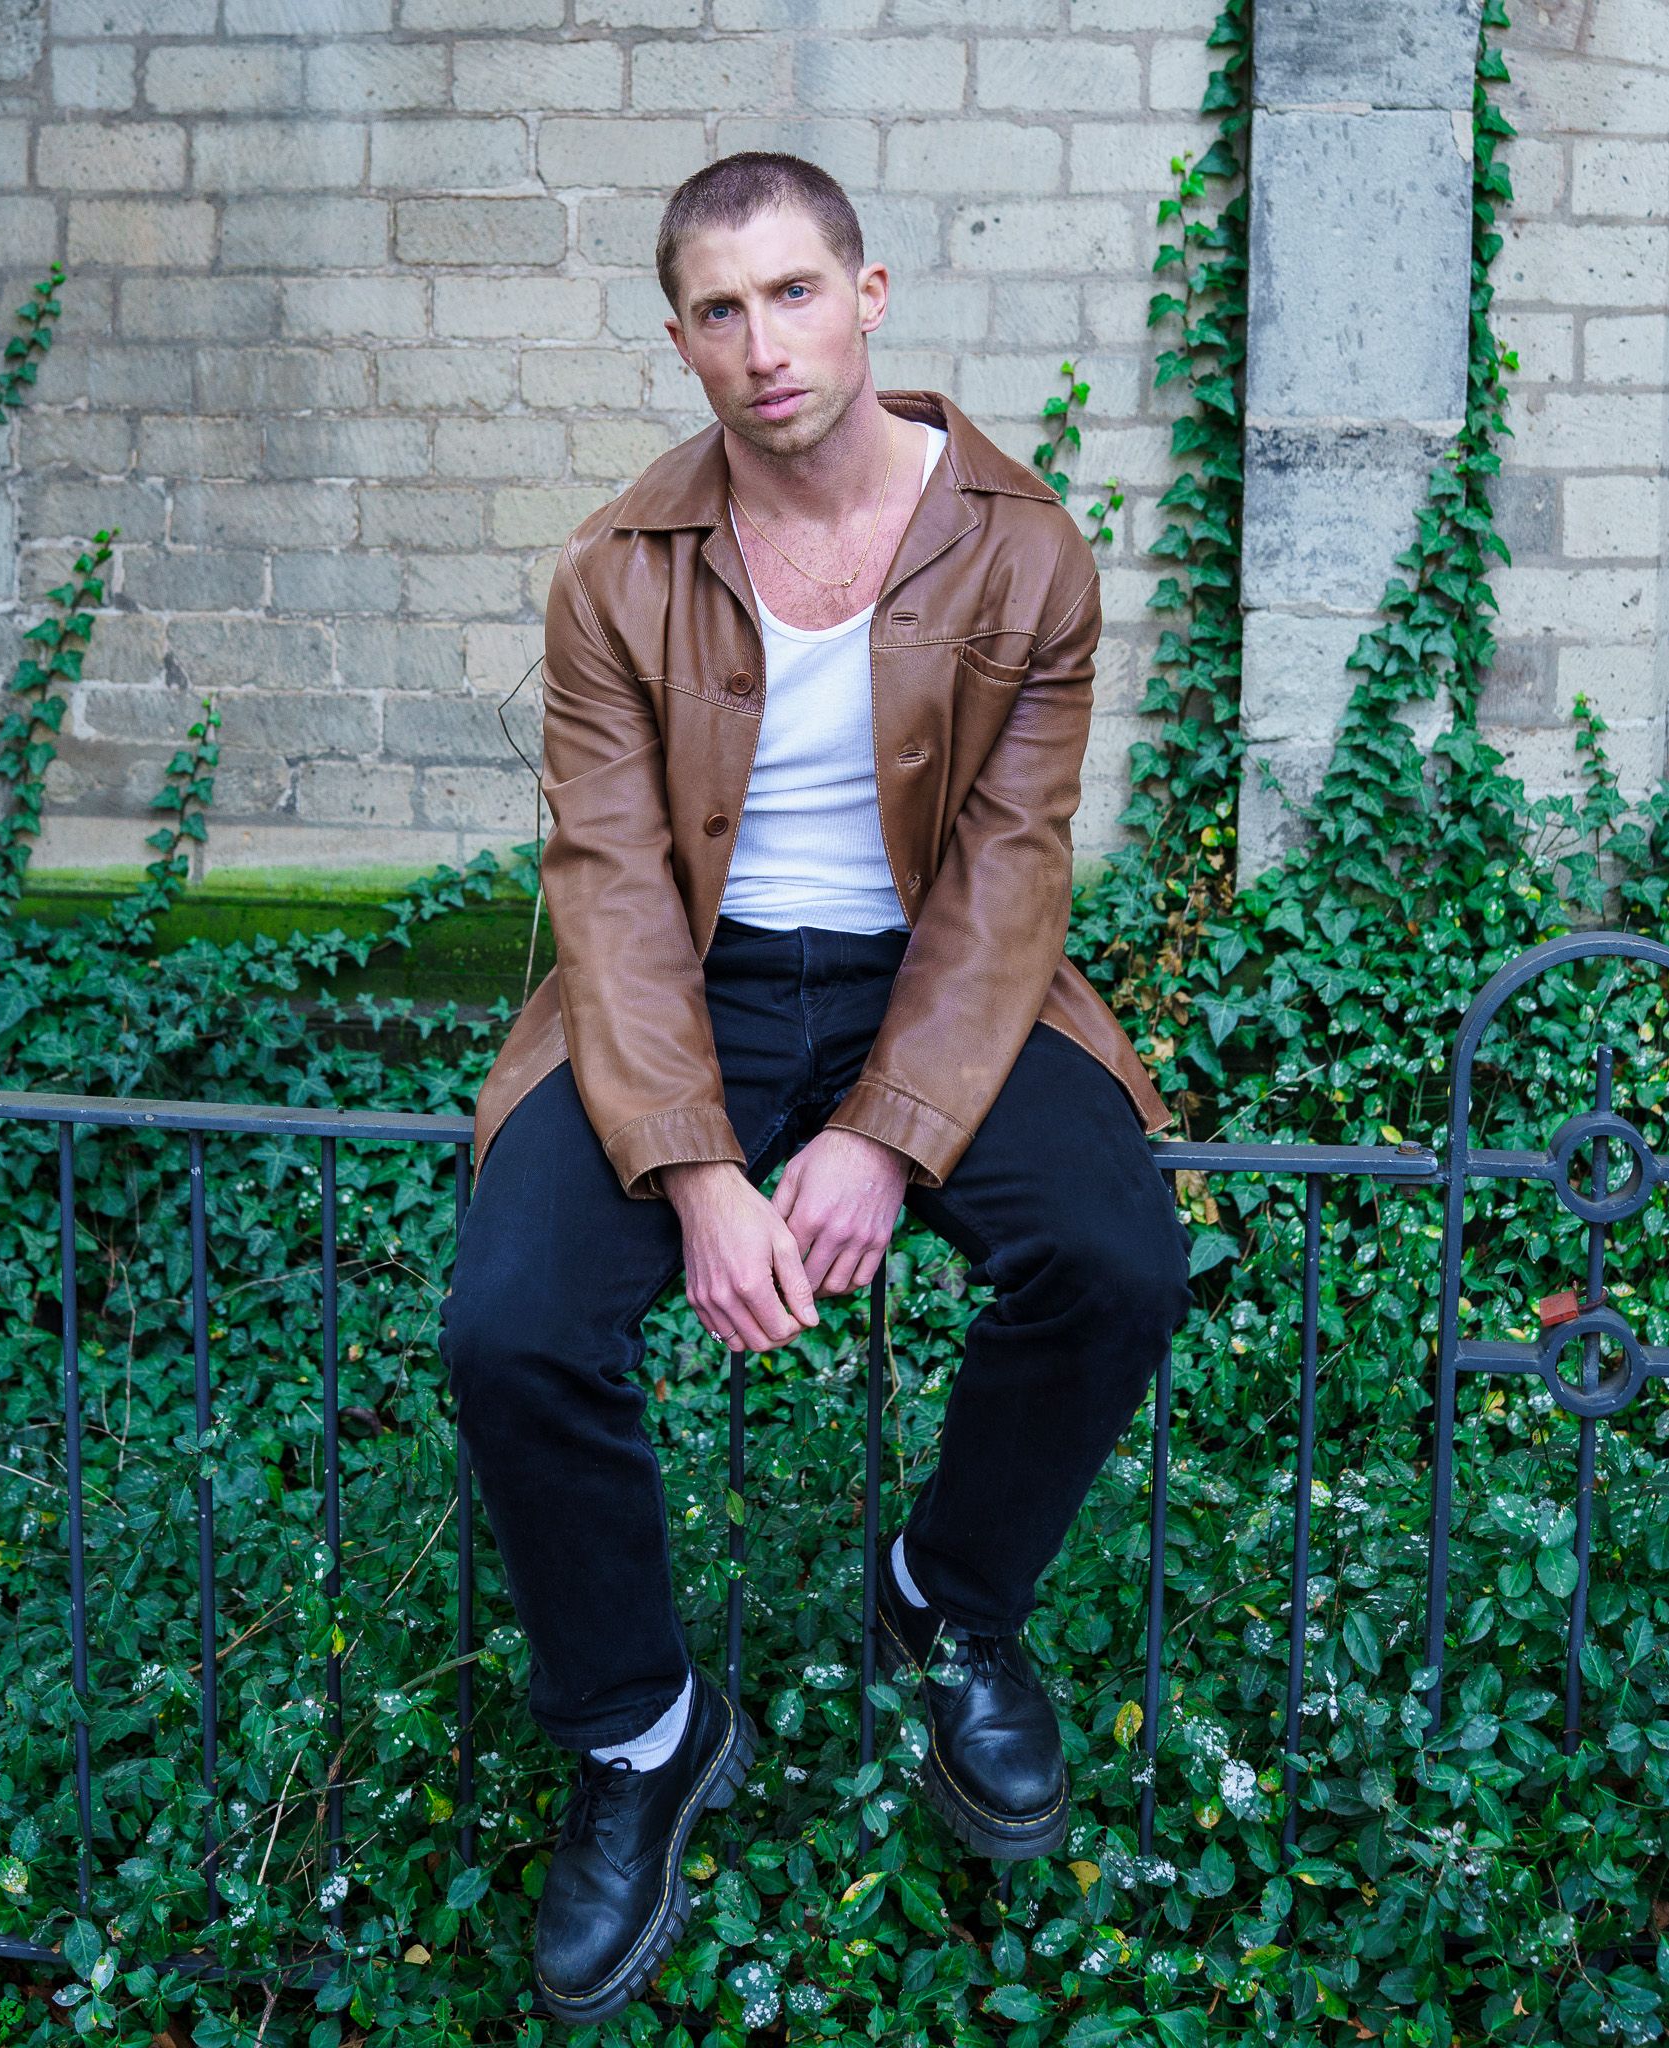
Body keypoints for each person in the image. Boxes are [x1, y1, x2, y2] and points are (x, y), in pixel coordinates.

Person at [437, 150, 1194, 2024]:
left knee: (1115, 1259)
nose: (762, 343)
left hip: (934, 978)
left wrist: (880, 1135)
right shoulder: (615, 571)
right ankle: (641, 1730)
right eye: (719, 310)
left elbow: (1011, 873)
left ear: (867, 299)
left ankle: (943, 1597)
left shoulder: (1023, 547)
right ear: (680, 343)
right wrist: (699, 1173)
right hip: (677, 983)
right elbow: (609, 887)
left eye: (792, 294)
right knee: (513, 1323)